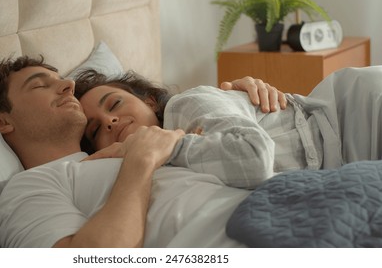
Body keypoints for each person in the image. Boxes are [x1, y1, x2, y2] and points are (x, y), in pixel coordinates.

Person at [0, 55, 285, 248]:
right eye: (39, 86)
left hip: (282, 198)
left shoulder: (145, 134)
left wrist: (244, 103)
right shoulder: (28, 187)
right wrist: (142, 160)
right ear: (2, 121)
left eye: (62, 81)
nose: (68, 85)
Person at [74, 66, 382, 189]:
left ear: (151, 101)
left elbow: (253, 158)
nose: (110, 121)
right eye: (95, 130)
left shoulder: (185, 106)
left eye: (114, 105)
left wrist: (162, 147)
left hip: (359, 114)